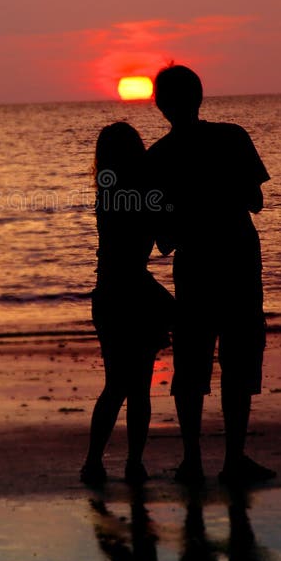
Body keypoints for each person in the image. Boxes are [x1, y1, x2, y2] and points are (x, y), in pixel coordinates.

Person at [145, 65, 276, 486]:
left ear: (162, 105)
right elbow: (255, 200)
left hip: (196, 266)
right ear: (199, 97)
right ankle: (234, 458)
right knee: (238, 359)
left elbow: (163, 239)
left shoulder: (158, 157)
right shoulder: (232, 137)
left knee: (192, 364)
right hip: (238, 259)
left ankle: (192, 459)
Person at [80, 122, 174, 486]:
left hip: (111, 294)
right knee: (133, 386)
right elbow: (165, 240)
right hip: (132, 292)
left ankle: (98, 462)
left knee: (119, 385)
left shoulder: (109, 192)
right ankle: (129, 462)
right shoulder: (137, 195)